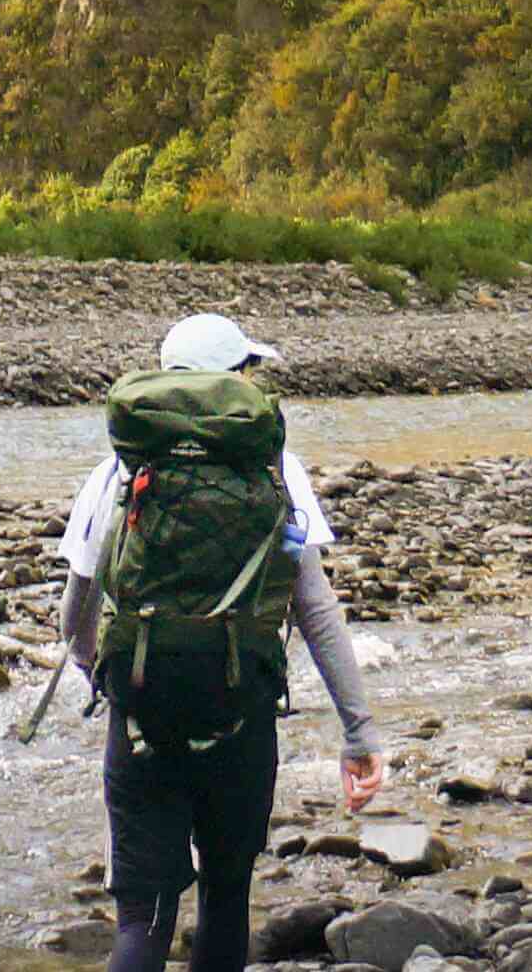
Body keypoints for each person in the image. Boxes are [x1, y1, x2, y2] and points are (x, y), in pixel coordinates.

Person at [57, 313, 385, 972]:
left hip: (142, 713)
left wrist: (109, 679)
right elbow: (316, 613)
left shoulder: (117, 471)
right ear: (236, 379)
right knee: (226, 896)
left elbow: (74, 619)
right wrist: (359, 733)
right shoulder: (274, 469)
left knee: (142, 917)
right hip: (241, 712)